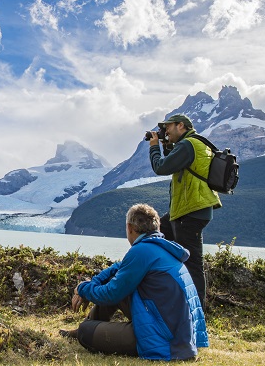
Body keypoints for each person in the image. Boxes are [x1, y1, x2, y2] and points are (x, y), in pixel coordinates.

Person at [60, 203, 208, 360]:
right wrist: (92, 283)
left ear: (129, 228)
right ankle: (91, 323)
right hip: (178, 333)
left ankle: (84, 329)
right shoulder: (160, 248)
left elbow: (110, 294)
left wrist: (82, 288)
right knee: (115, 281)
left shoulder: (141, 251)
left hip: (165, 339)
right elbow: (119, 268)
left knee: (85, 332)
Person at [148, 114, 221, 309]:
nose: (166, 131)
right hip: (188, 211)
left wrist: (154, 146)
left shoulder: (187, 145)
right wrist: (166, 143)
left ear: (181, 125)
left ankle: (197, 311)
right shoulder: (196, 143)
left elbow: (161, 167)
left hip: (190, 212)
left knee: (193, 263)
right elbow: (177, 161)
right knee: (155, 235)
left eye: (168, 127)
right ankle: (166, 296)